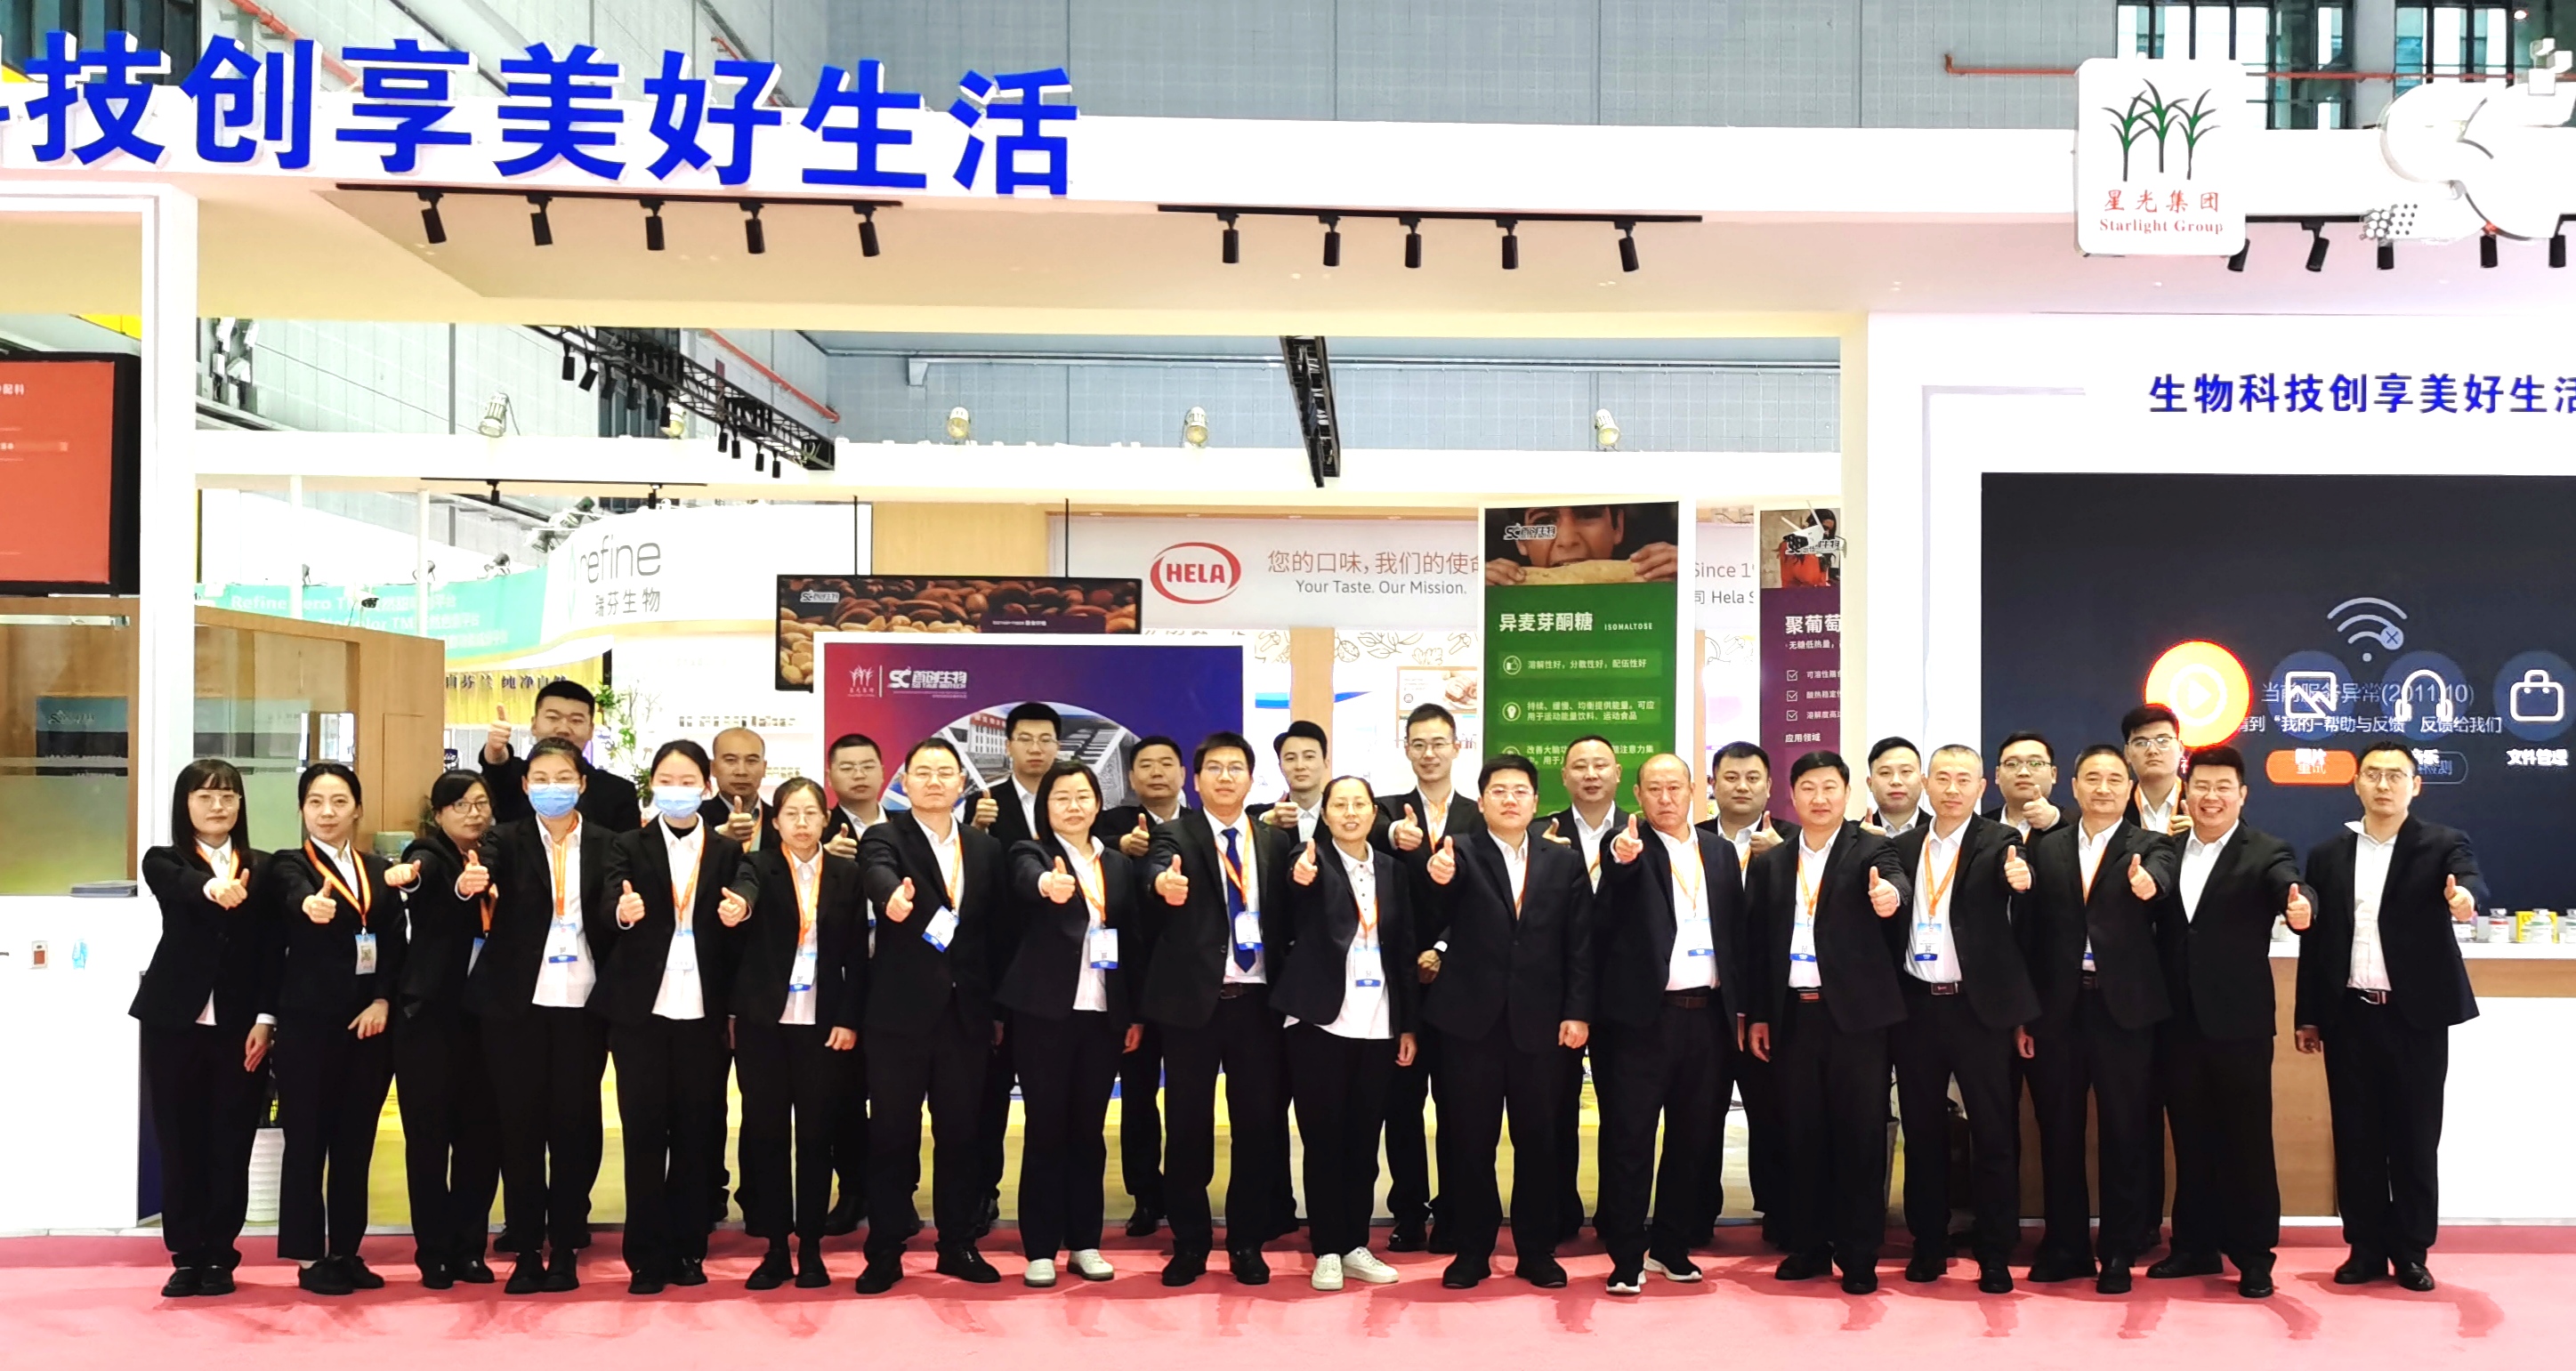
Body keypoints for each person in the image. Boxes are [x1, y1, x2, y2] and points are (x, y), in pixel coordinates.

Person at [2293, 741, 2483, 1293]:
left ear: (2415, 786)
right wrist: (2310, 1016)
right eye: (2372, 774)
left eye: (2395, 775)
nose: (2383, 785)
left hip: (2414, 1019)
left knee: (2415, 1138)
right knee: (2357, 1139)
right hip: (2350, 1017)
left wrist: (2465, 900)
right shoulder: (2328, 854)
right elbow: (2317, 944)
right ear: (2356, 783)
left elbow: (2468, 879)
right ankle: (2366, 1248)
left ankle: (2412, 1251)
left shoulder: (2442, 844)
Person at [1420, 754, 1593, 1290]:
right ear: (1481, 801)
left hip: (1541, 1026)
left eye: (1520, 791)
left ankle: (1536, 1251)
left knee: (1539, 1141)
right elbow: (1432, 916)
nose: (1510, 799)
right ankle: (1472, 1251)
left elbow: (1580, 943)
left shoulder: (1563, 861)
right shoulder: (1458, 852)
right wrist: (1437, 880)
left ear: (1536, 802)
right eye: (1499, 791)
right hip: (1470, 1024)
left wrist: (1577, 1011)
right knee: (1470, 1141)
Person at [1743, 751, 1908, 1294]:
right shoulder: (1771, 862)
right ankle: (1808, 1246)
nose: (1819, 798)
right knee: (1801, 1133)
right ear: (1792, 796)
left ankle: (1858, 1254)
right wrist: (1760, 1015)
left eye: (1830, 787)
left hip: (1856, 1022)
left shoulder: (1872, 849)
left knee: (1859, 1136)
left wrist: (1890, 896)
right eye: (1808, 788)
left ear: (1847, 793)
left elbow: (1897, 886)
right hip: (1794, 1016)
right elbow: (1758, 945)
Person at [600, 740, 757, 1295]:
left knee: (697, 1133)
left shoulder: (726, 851)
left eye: (687, 781)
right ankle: (645, 1256)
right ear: (652, 787)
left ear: (706, 787)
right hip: (641, 1013)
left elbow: (746, 896)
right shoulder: (627, 845)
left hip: (703, 1014)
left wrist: (741, 908)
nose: (676, 790)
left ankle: (689, 1249)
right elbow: (605, 903)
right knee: (644, 1134)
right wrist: (622, 913)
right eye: (666, 781)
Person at [464, 736, 618, 1294]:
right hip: (516, 1006)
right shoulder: (503, 839)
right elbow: (480, 873)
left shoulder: (608, 843)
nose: (553, 788)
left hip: (584, 1002)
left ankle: (568, 1243)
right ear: (526, 786)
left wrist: (624, 914)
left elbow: (615, 905)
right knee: (520, 1126)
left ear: (582, 784)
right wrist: (470, 883)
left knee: (575, 1126)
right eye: (542, 779)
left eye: (564, 778)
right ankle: (527, 1247)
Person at [2020, 744, 2175, 1294]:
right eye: (2092, 778)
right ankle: (2065, 1246)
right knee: (2058, 1131)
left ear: (2128, 788)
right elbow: (2029, 936)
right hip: (2058, 1011)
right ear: (2074, 787)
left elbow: (2163, 879)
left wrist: (2150, 884)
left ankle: (2118, 1249)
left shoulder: (2150, 845)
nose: (2103, 788)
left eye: (2114, 779)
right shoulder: (2046, 847)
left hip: (2124, 1013)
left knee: (2125, 1132)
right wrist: (2024, 1015)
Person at [1885, 745, 2039, 1294]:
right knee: (1922, 1132)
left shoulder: (2001, 842)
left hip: (1979, 1011)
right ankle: (1928, 1243)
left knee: (1993, 1133)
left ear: (1982, 787)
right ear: (1926, 784)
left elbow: (2017, 878)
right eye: (1943, 778)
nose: (1952, 789)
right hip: (1917, 1009)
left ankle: (1995, 1252)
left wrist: (2020, 877)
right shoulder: (1903, 848)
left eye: (1964, 780)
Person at [2153, 744, 2305, 1299]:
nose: (2210, 797)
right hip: (2176, 1022)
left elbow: (2289, 884)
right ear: (2186, 793)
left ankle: (2254, 1255)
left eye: (2223, 788)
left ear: (2242, 795)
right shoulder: (2166, 850)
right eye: (2201, 786)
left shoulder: (2265, 851)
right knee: (2189, 1138)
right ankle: (2194, 1246)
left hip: (2239, 1024)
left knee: (2246, 1141)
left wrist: (2300, 905)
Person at [854, 738, 1006, 1292]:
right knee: (892, 1136)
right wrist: (891, 898)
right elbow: (876, 872)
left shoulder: (984, 848)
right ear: (905, 782)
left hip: (965, 1015)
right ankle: (885, 1250)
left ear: (962, 783)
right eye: (923, 772)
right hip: (899, 1017)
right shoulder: (885, 836)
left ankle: (957, 1244)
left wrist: (995, 1009)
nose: (935, 781)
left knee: (961, 1136)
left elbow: (994, 934)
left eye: (946, 772)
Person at [257, 762, 413, 1295]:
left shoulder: (377, 870)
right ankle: (308, 1257)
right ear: (302, 809)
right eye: (316, 802)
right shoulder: (289, 864)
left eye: (339, 801)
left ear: (358, 809)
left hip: (367, 1027)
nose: (327, 812)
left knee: (355, 1145)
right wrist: (310, 904)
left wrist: (383, 999)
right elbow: (292, 891)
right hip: (307, 1028)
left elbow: (393, 943)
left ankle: (346, 1250)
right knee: (307, 1143)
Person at [1143, 731, 1292, 1285]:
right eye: (1214, 768)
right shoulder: (1175, 833)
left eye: (1236, 768)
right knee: (1187, 1128)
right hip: (1193, 1007)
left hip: (1258, 1006)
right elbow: (1155, 868)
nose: (1225, 777)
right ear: (1196, 778)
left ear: (1252, 778)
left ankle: (1247, 1242)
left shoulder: (1275, 841)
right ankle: (1190, 1243)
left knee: (1257, 1128)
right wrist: (1163, 883)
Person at [1595, 754, 1744, 1294]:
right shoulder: (1628, 844)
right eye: (1654, 788)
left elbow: (1736, 933)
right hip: (1643, 1022)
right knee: (1630, 1139)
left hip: (1708, 1019)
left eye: (1674, 787)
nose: (1665, 798)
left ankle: (1671, 1246)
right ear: (1637, 794)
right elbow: (1614, 883)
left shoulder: (1720, 852)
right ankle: (1625, 1255)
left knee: (1694, 1139)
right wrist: (1621, 857)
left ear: (1693, 790)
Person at [133, 759, 271, 1298]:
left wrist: (266, 1018)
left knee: (231, 1141)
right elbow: (179, 884)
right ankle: (186, 1256)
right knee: (179, 1139)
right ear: (184, 804)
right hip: (174, 1023)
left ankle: (220, 1255)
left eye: (228, 795)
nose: (218, 805)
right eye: (205, 796)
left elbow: (273, 952)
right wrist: (214, 888)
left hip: (240, 1028)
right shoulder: (164, 859)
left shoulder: (262, 867)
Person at [1278, 775, 1420, 1292]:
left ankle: (1356, 1243)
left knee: (1364, 1140)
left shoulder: (1392, 870)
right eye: (1340, 804)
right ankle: (1326, 1249)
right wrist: (1299, 877)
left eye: (1360, 803)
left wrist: (1408, 1024)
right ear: (1325, 814)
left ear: (1374, 813)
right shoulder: (1308, 860)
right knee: (1323, 1140)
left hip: (1379, 1022)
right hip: (1321, 1022)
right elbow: (1293, 900)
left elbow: (1404, 947)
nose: (1351, 812)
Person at [1001, 761, 1140, 1288]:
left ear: (1098, 803)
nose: (1074, 806)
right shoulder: (1031, 852)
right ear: (1046, 807)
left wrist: (1131, 1014)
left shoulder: (1117, 863)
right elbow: (1025, 879)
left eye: (1083, 796)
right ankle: (1040, 1248)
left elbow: (1132, 939)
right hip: (1045, 1016)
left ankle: (1085, 1242)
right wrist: (1047, 884)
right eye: (1061, 798)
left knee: (1088, 1132)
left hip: (1102, 1014)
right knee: (1045, 1130)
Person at [732, 777, 863, 1291]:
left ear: (826, 820)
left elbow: (857, 955)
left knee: (815, 1137)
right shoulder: (757, 865)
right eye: (792, 814)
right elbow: (743, 898)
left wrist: (849, 1018)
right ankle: (773, 1248)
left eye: (811, 813)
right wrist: (738, 907)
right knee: (765, 1135)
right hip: (764, 1025)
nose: (802, 823)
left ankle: (810, 1246)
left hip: (823, 1026)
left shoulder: (847, 874)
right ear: (776, 821)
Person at [1376, 701, 1482, 1253]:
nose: (1429, 753)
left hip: (1462, 981)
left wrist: (1442, 948)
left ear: (1457, 747)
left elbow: (1486, 903)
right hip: (1399, 984)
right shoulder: (1384, 815)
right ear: (1407, 750)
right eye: (1418, 744)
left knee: (1460, 1107)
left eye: (1439, 743)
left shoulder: (1479, 815)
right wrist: (1391, 830)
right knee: (1402, 1104)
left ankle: (1455, 1210)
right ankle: (1409, 1211)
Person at [394, 770, 505, 1289]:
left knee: (482, 1140)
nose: (473, 813)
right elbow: (421, 878)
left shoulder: (497, 853)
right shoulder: (430, 853)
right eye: (460, 805)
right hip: (430, 1020)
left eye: (480, 803)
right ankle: (433, 1251)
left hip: (487, 1020)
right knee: (428, 1140)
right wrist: (449, 886)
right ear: (438, 814)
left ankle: (470, 1248)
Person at [969, 701, 1062, 1236]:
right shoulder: (984, 805)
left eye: (1045, 739)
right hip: (1000, 972)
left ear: (1058, 746)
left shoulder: (1073, 800)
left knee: (1056, 1100)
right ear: (1008, 746)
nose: (1035, 748)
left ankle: (1058, 1205)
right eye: (1025, 739)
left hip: (1063, 974)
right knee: (989, 1093)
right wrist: (974, 831)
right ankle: (983, 1193)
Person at [1691, 739, 1784, 1247]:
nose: (1742, 787)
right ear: (1713, 784)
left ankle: (1779, 1211)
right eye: (1730, 777)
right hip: (1708, 1007)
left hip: (1770, 1005)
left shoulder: (1794, 842)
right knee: (1700, 1115)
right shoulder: (1690, 839)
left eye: (1752, 778)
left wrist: (1779, 864)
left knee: (1773, 1113)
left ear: (1769, 786)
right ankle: (1695, 1214)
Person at [1099, 734, 1188, 1237]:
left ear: (1182, 774)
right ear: (1131, 778)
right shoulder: (1111, 826)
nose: (1157, 773)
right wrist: (1120, 849)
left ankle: (1183, 1192)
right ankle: (1145, 1195)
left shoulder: (1199, 826)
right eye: (1146, 765)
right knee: (1137, 1097)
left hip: (1187, 987)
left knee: (1186, 1098)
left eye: (1166, 763)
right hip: (1132, 983)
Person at [1539, 735, 1627, 1246]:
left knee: (1623, 1110)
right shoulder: (1540, 833)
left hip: (1622, 994)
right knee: (1554, 1108)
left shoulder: (1643, 832)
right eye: (1579, 766)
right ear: (1564, 776)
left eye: (1600, 765)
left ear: (1618, 773)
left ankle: (1617, 1216)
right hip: (1557, 995)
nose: (1590, 775)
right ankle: (1556, 1211)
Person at [818, 730, 891, 1237]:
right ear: (830, 776)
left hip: (895, 977)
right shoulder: (815, 827)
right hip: (840, 982)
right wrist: (822, 859)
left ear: (883, 770)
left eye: (867, 765)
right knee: (842, 1095)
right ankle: (851, 1191)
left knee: (893, 1094)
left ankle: (894, 1191)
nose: (859, 775)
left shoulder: (906, 828)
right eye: (847, 767)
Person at [478, 681, 639, 831]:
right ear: (534, 724)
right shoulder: (513, 779)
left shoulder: (618, 792)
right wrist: (495, 749)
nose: (563, 729)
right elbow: (497, 768)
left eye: (576, 720)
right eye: (553, 718)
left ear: (591, 730)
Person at [1250, 719, 1330, 843]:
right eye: (1290, 758)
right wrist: (1266, 821)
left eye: (1309, 757)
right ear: (1280, 766)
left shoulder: (1340, 814)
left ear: (1326, 763)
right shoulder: (1261, 815)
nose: (1300, 766)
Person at [2121, 705, 2192, 836]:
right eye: (2141, 743)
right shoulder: (2117, 809)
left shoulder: (2203, 804)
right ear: (2127, 753)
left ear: (2180, 748)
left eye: (2163, 741)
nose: (2152, 750)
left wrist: (2202, 839)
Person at [704, 726, 778, 852]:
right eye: (731, 760)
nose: (741, 771)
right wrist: (719, 838)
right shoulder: (695, 818)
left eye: (751, 761)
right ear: (713, 767)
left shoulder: (779, 820)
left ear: (764, 768)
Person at [1989, 730, 2063, 839]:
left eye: (2035, 763)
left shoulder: (2076, 824)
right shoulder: (1979, 828)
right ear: (1997, 775)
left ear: (2053, 774)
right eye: (2012, 764)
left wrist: (2055, 821)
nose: (2023, 772)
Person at [1861, 737, 1930, 836]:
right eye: (1885, 773)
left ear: (1923, 781)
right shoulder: (1852, 837)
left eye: (1905, 771)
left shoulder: (1940, 832)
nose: (1896, 781)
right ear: (1870, 783)